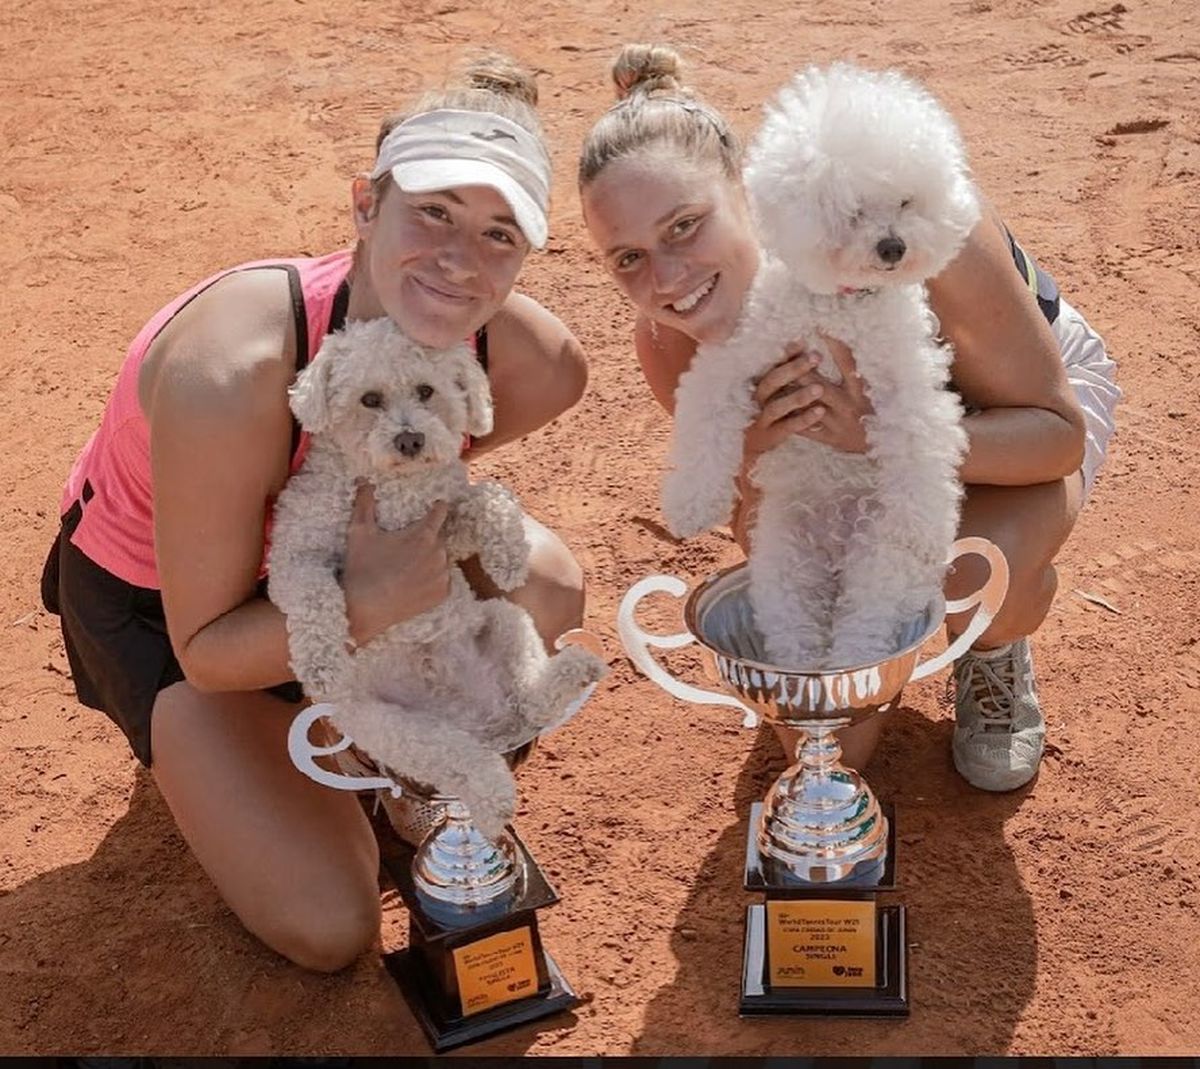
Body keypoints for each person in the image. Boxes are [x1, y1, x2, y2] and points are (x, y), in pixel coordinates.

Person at [40, 54, 590, 973]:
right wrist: (367, 601)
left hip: (322, 571)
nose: (462, 261)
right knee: (331, 924)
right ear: (364, 206)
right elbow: (211, 647)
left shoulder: (534, 362)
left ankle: (402, 773)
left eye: (500, 235)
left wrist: (374, 557)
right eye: (434, 213)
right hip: (175, 616)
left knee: (543, 581)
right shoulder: (236, 370)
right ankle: (255, 761)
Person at [578, 45, 1120, 791]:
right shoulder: (669, 337)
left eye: (684, 226)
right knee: (839, 723)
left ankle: (995, 647)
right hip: (857, 458)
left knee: (970, 571)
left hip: (1010, 418)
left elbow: (1054, 438)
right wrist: (752, 463)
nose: (667, 279)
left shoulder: (912, 237)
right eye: (628, 258)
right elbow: (759, 509)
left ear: (748, 193)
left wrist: (875, 435)